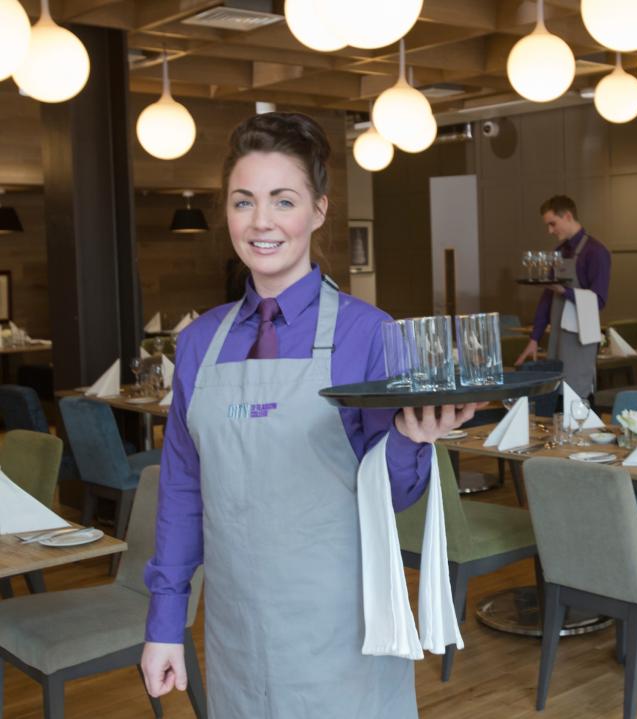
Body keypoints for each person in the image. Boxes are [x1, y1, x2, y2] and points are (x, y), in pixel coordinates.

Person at [140, 112, 475, 718]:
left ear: (318, 211)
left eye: (282, 200)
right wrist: (166, 622)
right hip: (236, 629)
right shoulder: (198, 343)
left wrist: (409, 441)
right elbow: (183, 491)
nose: (261, 222)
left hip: (342, 626)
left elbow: (393, 493)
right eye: (244, 202)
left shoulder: (368, 333)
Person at [514, 195, 611, 399]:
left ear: (567, 216)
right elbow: (546, 298)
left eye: (552, 224)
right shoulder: (558, 252)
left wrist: (564, 291)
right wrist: (534, 338)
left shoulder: (596, 252)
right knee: (555, 391)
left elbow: (599, 301)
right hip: (558, 334)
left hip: (581, 337)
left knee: (577, 392)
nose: (550, 230)